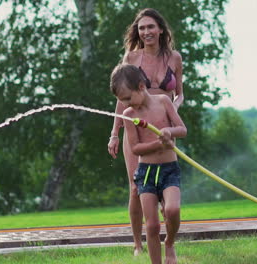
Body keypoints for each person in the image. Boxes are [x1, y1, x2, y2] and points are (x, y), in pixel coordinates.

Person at [107, 8, 184, 255]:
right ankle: (138, 244)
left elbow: (180, 92)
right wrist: (115, 132)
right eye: (141, 28)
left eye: (150, 27)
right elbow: (123, 96)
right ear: (137, 32)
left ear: (160, 29)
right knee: (136, 185)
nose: (146, 32)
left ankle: (167, 239)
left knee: (166, 180)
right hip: (137, 126)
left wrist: (174, 110)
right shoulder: (131, 58)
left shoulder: (175, 58)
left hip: (165, 122)